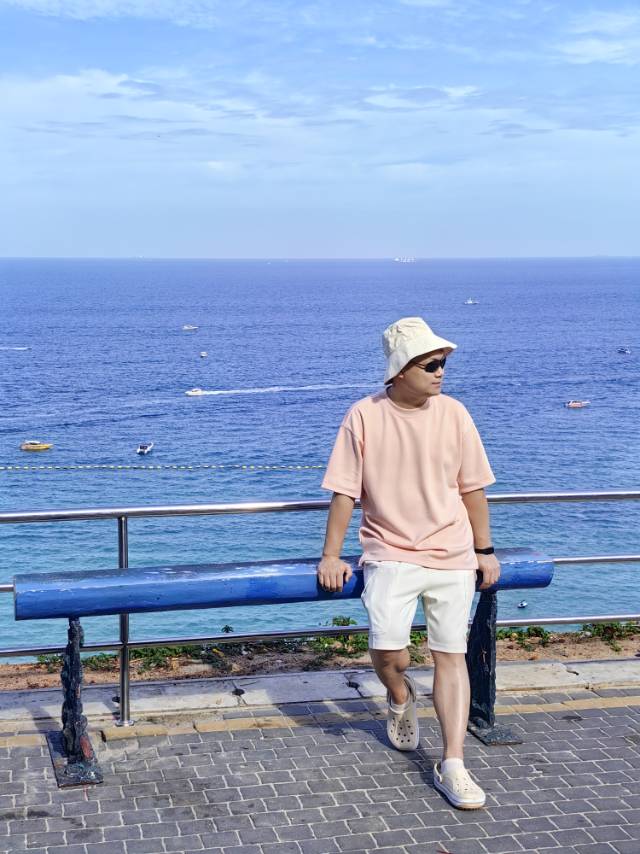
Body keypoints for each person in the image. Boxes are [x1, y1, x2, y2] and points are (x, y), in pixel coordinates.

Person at [317, 316, 500, 810]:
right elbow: (344, 491)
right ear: (400, 371)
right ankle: (400, 697)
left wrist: (484, 550)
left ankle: (453, 763)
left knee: (451, 655)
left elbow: (472, 488)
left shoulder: (455, 413)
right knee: (387, 651)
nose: (441, 372)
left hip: (452, 553)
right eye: (431, 364)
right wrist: (331, 554)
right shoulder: (364, 415)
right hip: (389, 551)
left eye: (443, 363)